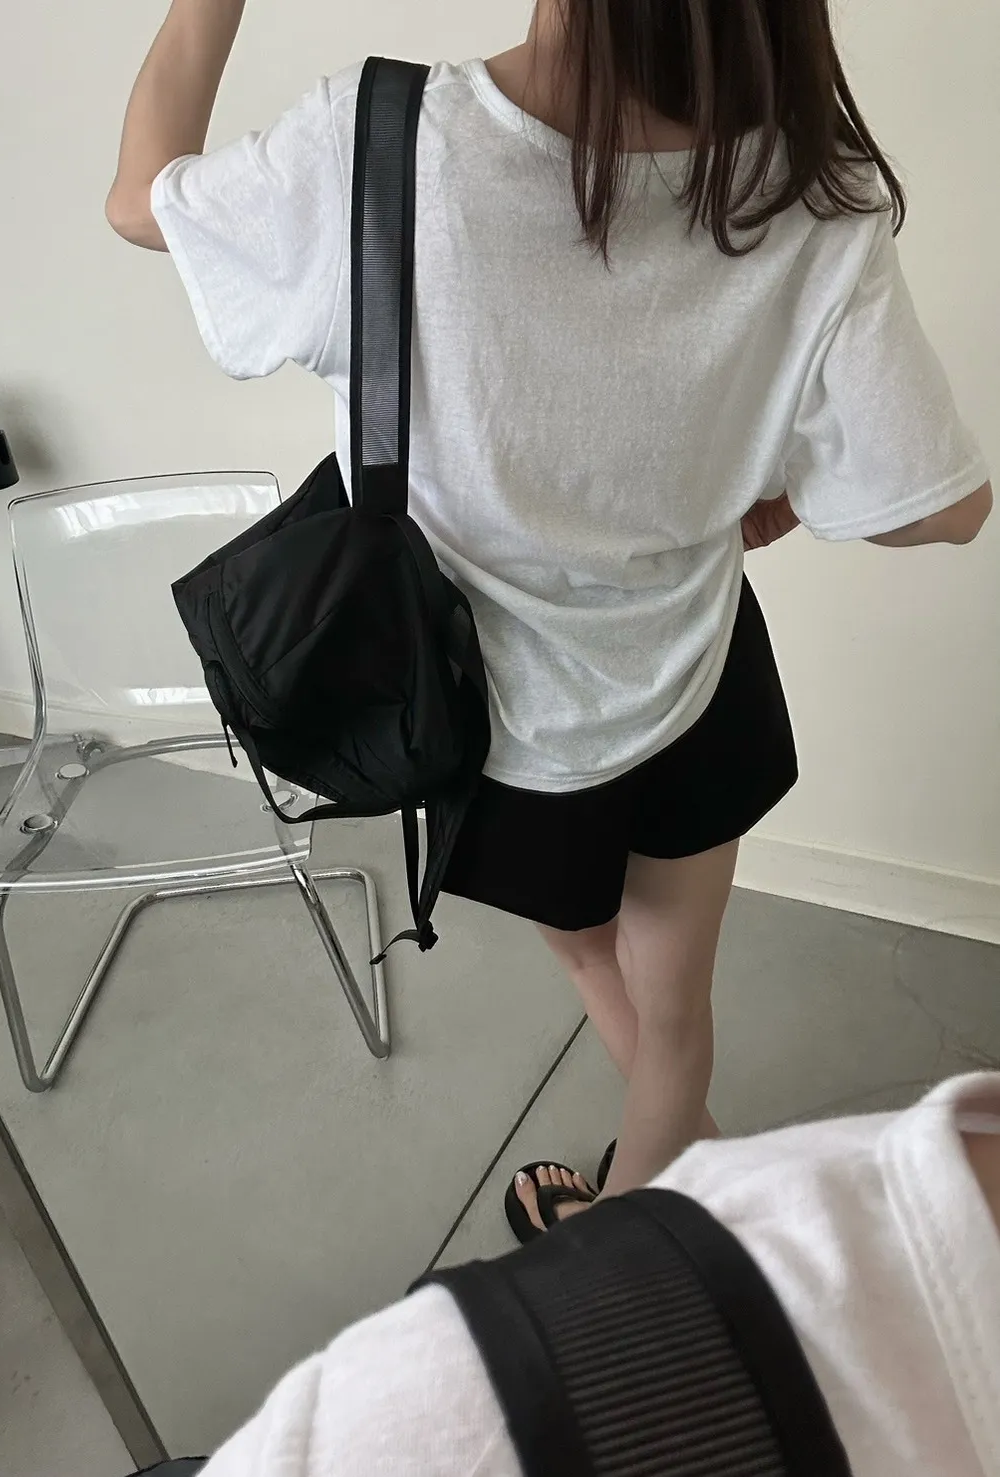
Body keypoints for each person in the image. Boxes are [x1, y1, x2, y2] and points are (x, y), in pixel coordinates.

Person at [107, 1, 992, 1232]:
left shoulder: (382, 139)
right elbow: (944, 507)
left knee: (586, 954)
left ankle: (638, 1250)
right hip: (694, 683)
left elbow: (140, 197)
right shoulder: (807, 188)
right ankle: (691, 1182)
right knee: (676, 1019)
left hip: (492, 718)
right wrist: (784, 493)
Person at [130, 1074, 1000, 1476]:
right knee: (640, 977)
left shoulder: (424, 1409)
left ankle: (625, 1209)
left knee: (621, 970)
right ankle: (640, 1201)